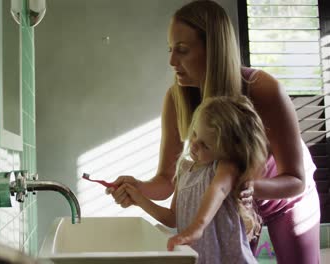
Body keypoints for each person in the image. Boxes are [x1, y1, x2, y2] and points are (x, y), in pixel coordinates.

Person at [106, 1, 321, 263]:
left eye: (182, 50)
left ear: (214, 50)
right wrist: (136, 188)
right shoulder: (176, 100)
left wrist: (250, 187)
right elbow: (167, 180)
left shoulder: (263, 90)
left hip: (285, 201)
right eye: (171, 50)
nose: (172, 61)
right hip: (236, 203)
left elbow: (295, 180)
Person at [123, 96, 266, 264]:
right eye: (195, 134)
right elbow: (172, 218)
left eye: (205, 145)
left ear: (227, 151)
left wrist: (196, 228)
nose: (194, 145)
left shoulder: (224, 168)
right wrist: (139, 199)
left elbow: (219, 189)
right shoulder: (184, 170)